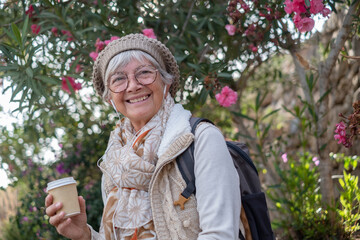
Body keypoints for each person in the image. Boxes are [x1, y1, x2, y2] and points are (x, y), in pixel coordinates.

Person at [45, 33, 241, 240]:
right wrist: (85, 235)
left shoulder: (201, 139)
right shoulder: (115, 160)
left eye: (144, 73)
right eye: (119, 79)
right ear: (110, 97)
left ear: (166, 84)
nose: (133, 86)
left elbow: (220, 235)